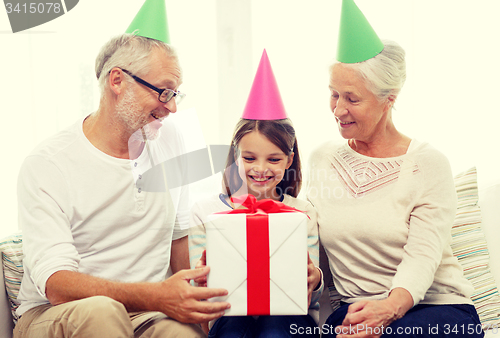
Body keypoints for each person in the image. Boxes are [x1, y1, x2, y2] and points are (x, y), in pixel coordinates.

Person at [13, 3, 229, 337]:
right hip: (56, 313)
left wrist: (196, 312)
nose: (172, 107)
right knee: (102, 312)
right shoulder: (49, 163)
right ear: (117, 81)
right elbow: (56, 285)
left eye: (176, 94)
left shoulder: (171, 139)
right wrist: (156, 295)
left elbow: (178, 240)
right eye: (164, 91)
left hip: (148, 313)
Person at [306, 1, 483, 337]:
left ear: (389, 98)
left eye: (352, 98)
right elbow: (310, 237)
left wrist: (387, 310)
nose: (338, 109)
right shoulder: (321, 160)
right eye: (333, 94)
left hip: (434, 308)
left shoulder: (427, 164)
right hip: (355, 308)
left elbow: (422, 255)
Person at [188, 51, 323, 337]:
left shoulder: (304, 212)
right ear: (235, 156)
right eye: (250, 158)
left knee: (276, 329)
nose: (261, 169)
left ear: (289, 160)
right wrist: (199, 280)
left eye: (274, 160)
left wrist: (316, 278)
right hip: (229, 317)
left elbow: (313, 290)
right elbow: (196, 294)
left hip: (291, 319)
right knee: (235, 329)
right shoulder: (205, 212)